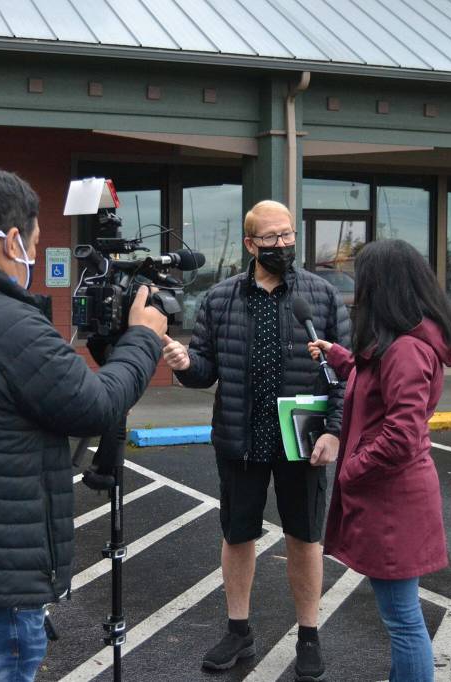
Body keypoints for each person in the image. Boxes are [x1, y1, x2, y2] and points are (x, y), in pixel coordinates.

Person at [0, 164, 167, 681]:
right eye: (36, 242)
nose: (36, 255)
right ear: (12, 240)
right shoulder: (6, 321)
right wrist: (143, 337)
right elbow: (95, 404)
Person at [163, 200, 350, 680]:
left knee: (305, 538)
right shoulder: (220, 299)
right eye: (272, 238)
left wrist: (333, 431)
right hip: (240, 438)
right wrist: (185, 365)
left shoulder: (321, 296)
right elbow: (205, 369)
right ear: (250, 244)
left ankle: (309, 636)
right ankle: (238, 631)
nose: (283, 245)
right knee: (238, 535)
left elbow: (345, 377)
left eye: (288, 236)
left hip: (301, 441)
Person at [307, 239, 451, 682]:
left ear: (385, 286)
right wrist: (339, 358)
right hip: (391, 497)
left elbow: (401, 434)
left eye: (364, 280)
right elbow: (375, 375)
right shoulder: (399, 342)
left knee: (403, 620)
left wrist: (352, 468)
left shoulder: (408, 349)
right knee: (400, 616)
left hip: (395, 503)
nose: (358, 290)